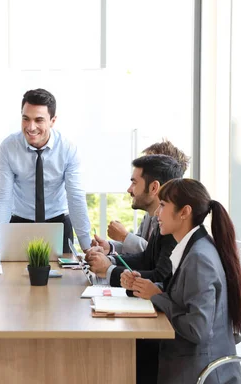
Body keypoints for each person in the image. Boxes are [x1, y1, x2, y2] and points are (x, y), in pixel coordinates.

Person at [129, 178, 241, 384]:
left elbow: (196, 329)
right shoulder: (194, 246)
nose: (157, 213)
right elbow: (183, 295)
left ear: (184, 212)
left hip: (199, 371)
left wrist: (157, 296)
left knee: (131, 362)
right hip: (191, 359)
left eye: (163, 206)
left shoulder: (199, 258)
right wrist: (145, 287)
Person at [85, 154, 183, 384]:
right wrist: (111, 259)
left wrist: (109, 270)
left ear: (154, 187)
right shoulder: (162, 221)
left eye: (134, 182)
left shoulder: (173, 228)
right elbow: (146, 258)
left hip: (170, 335)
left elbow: (159, 276)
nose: (129, 189)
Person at [0, 88, 91, 255]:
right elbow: (3, 196)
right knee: (14, 277)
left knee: (62, 278)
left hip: (58, 223)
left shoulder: (67, 149)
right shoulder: (9, 147)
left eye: (39, 120)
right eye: (26, 119)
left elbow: (75, 197)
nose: (31, 127)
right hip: (20, 223)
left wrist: (86, 245)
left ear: (53, 120)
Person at [105, 139, 190, 253]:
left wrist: (125, 237)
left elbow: (154, 256)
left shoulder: (176, 219)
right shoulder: (150, 214)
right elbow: (139, 247)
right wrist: (109, 247)